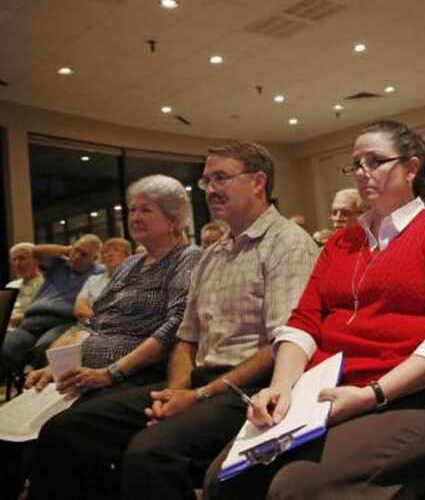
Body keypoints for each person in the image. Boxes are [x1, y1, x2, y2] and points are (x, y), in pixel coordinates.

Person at [203, 120, 425, 500]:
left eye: (375, 161)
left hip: (414, 396)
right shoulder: (341, 242)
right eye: (356, 164)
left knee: (296, 488)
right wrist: (282, 386)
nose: (362, 173)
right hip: (328, 394)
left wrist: (372, 394)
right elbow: (303, 322)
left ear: (411, 168)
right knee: (223, 480)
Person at [26, 143, 319, 500]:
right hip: (197, 382)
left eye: (221, 178)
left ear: (258, 182)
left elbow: (283, 344)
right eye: (206, 180)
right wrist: (177, 391)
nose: (209, 189)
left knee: (149, 454)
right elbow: (185, 338)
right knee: (69, 429)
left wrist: (195, 395)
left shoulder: (287, 244)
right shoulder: (215, 254)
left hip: (250, 388)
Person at [2, 175, 203, 500]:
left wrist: (110, 372)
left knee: (58, 432)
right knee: (9, 429)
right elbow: (95, 322)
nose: (134, 217)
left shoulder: (188, 259)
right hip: (89, 373)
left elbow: (172, 329)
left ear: (174, 219)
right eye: (132, 209)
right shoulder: (130, 264)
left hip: (139, 375)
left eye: (146, 210)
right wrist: (56, 364)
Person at [0, 235, 103, 375]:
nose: (77, 256)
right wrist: (68, 250)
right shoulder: (59, 265)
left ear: (94, 259)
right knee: (6, 346)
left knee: (45, 349)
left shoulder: (98, 272)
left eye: (84, 254)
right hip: (30, 321)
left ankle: (31, 381)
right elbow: (36, 252)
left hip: (62, 322)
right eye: (76, 250)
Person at [73, 238, 132, 321]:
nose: (110, 254)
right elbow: (79, 307)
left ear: (128, 257)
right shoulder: (93, 280)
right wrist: (95, 318)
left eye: (116, 250)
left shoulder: (135, 279)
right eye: (106, 251)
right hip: (91, 326)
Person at [5, 243, 44, 328]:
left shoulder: (46, 285)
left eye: (22, 258)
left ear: (36, 260)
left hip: (28, 328)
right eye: (13, 260)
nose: (17, 264)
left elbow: (47, 314)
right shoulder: (10, 285)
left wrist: (24, 317)